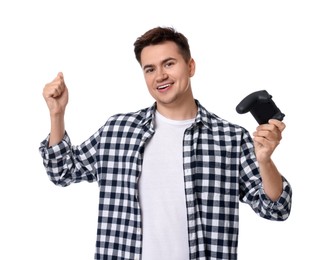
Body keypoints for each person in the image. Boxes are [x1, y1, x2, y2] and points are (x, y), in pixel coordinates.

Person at [39, 26, 292, 260]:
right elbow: (62, 170)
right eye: (150, 69)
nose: (160, 76)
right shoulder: (118, 131)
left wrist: (265, 160)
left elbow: (277, 208)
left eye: (169, 63)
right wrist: (57, 115)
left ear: (190, 66)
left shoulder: (230, 139)